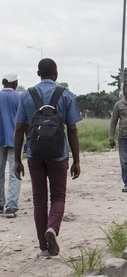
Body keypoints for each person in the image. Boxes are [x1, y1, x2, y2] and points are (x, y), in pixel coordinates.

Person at [14, 58, 82, 258]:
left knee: (39, 199)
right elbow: (72, 129)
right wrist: (76, 160)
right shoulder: (66, 95)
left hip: (34, 154)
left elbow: (19, 129)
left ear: (38, 74)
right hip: (58, 155)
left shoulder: (27, 95)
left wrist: (17, 159)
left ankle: (44, 247)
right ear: (56, 75)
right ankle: (52, 228)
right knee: (58, 196)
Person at [1, 72, 21, 218]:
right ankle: (11, 206)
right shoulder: (19, 97)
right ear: (14, 83)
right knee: (15, 172)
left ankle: (0, 203)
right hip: (16, 139)